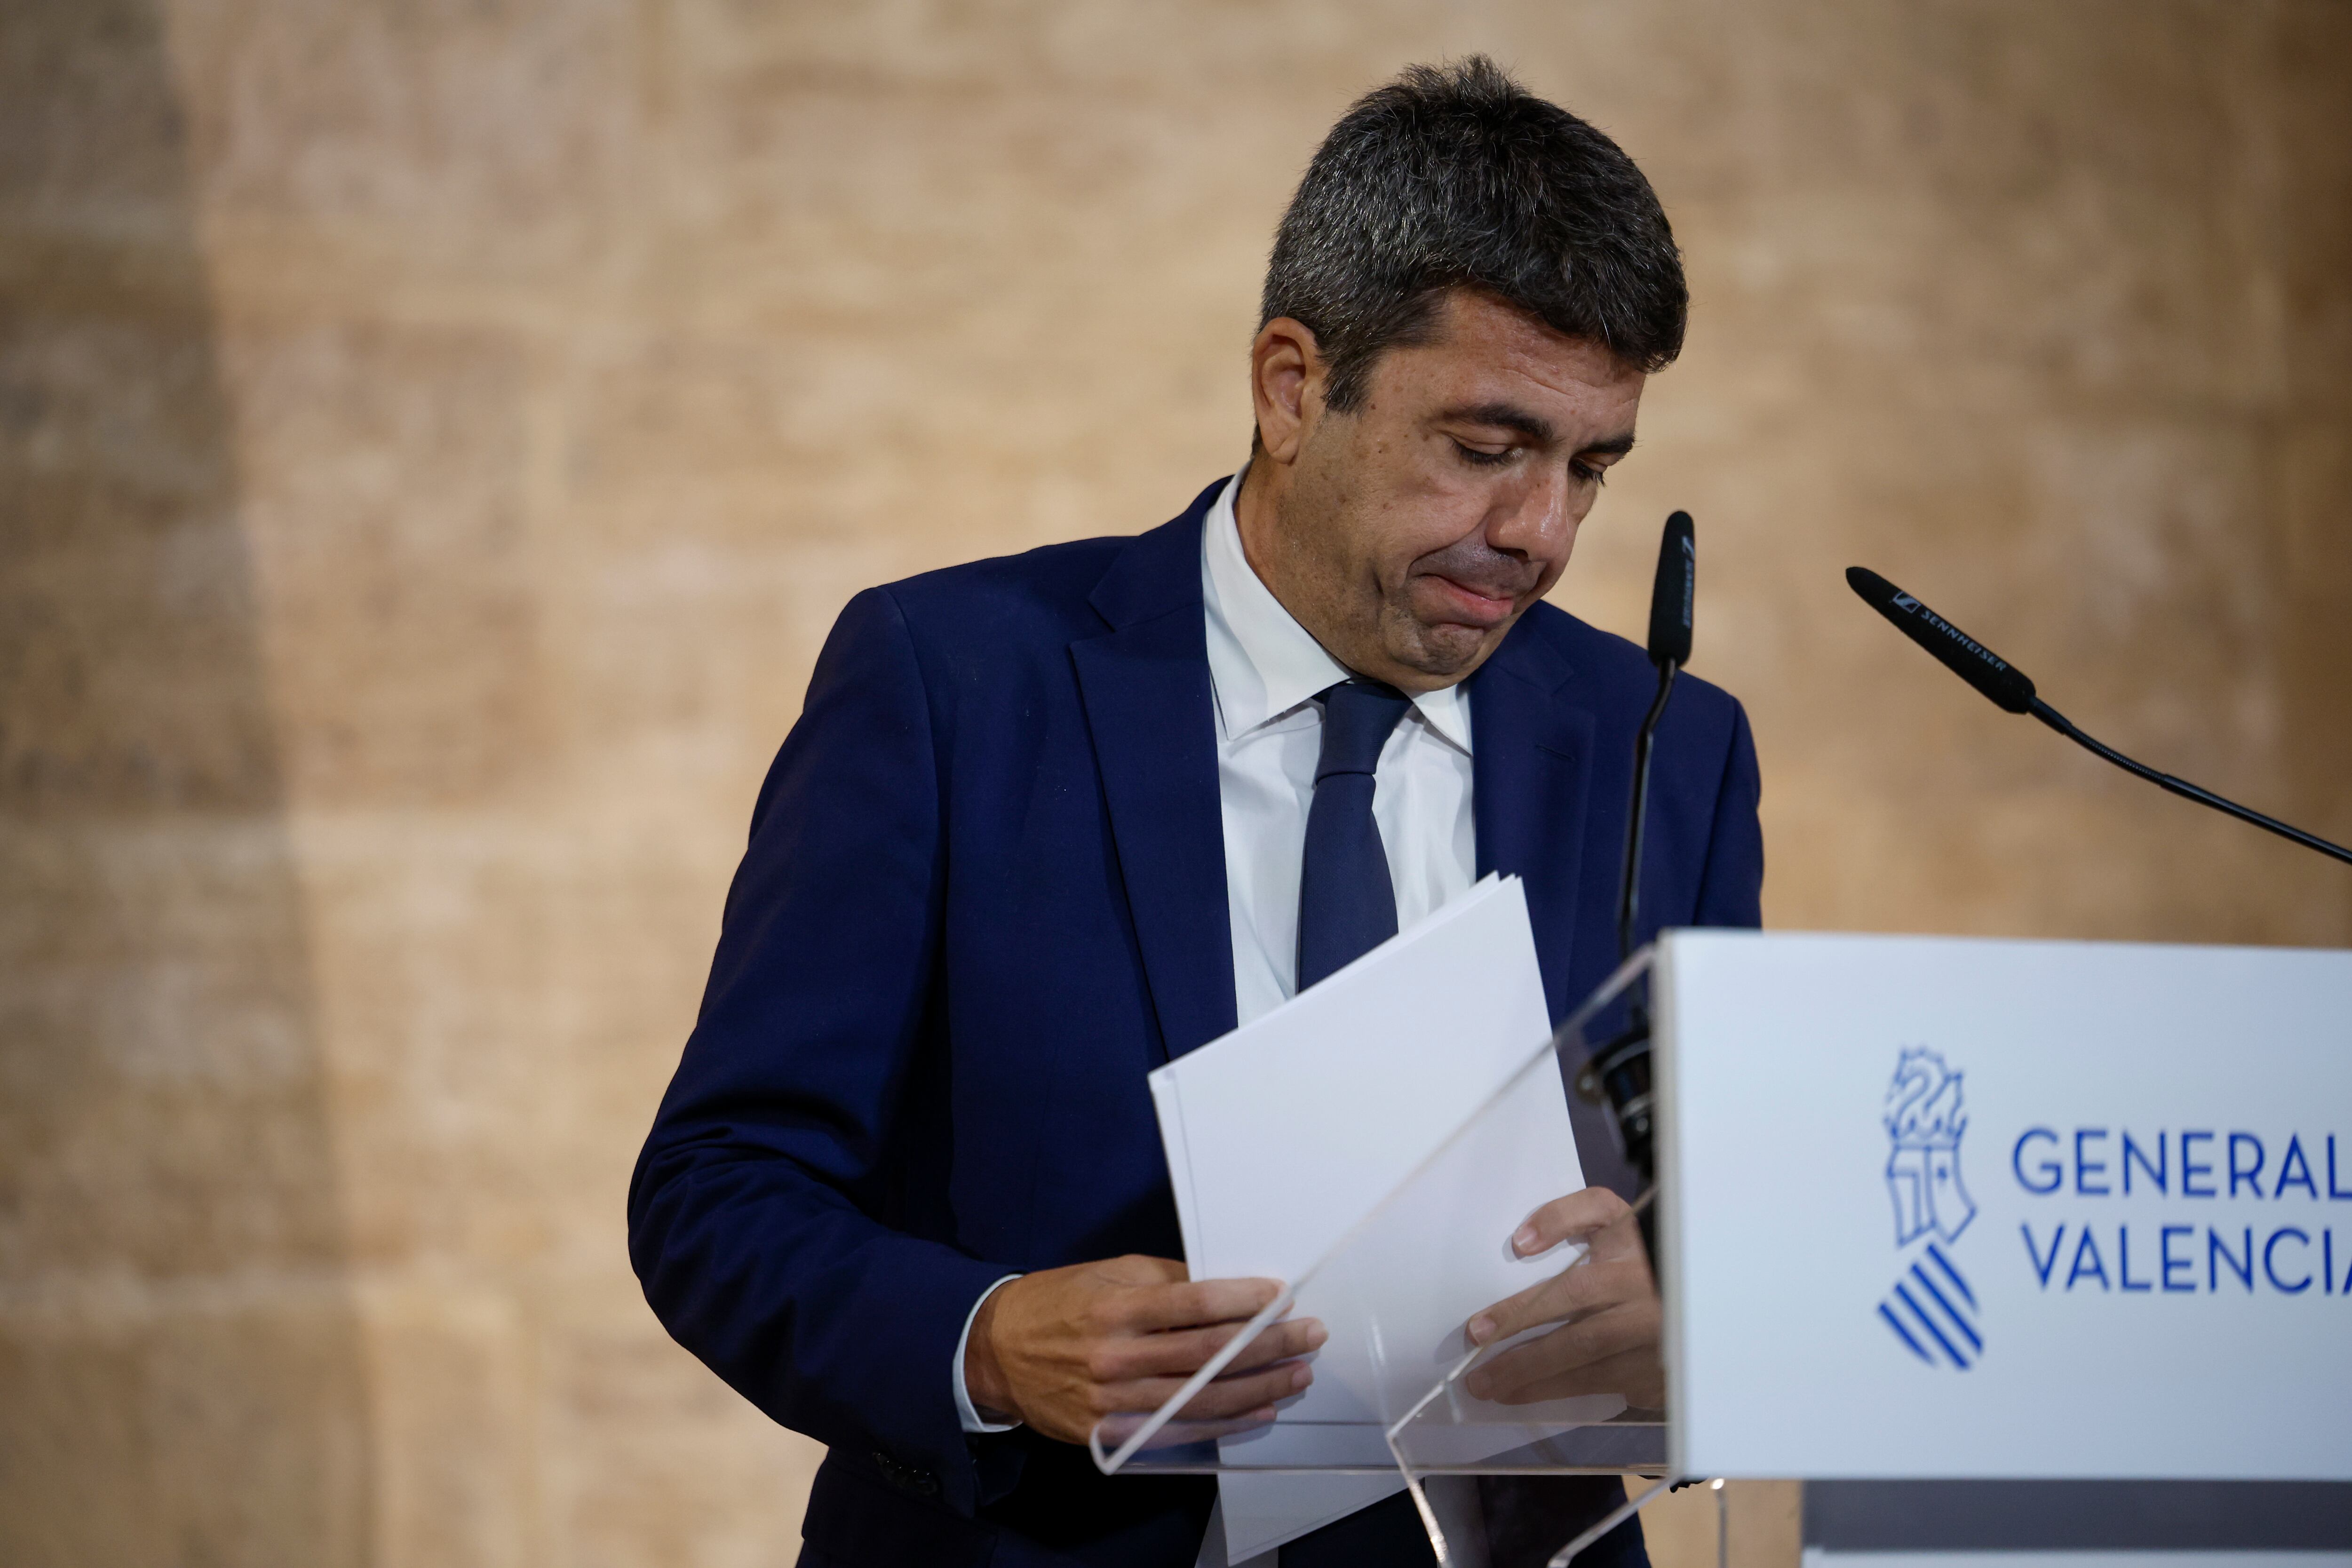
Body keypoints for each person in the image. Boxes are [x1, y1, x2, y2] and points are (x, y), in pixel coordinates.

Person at [629, 56, 1762, 1568]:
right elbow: (718, 1194)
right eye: (1485, 450)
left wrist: (1689, 1320)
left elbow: (1716, 1218)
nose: (1539, 534)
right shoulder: (954, 682)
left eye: (1591, 469)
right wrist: (982, 1343)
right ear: (1293, 387)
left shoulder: (1664, 743)